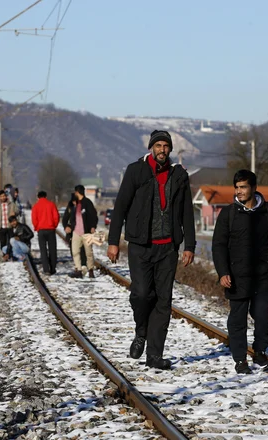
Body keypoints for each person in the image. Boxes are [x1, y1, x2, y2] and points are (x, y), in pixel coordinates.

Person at [107, 129, 196, 370]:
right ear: (151, 148)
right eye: (158, 146)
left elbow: (187, 211)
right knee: (141, 294)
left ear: (170, 150)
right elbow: (121, 207)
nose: (162, 150)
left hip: (168, 247)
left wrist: (190, 245)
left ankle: (154, 354)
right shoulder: (136, 171)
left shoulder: (178, 176)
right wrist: (113, 241)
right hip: (140, 245)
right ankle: (141, 332)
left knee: (163, 301)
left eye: (166, 146)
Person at [212, 169, 268, 375]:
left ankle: (260, 352)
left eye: (243, 187)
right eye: (237, 187)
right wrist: (223, 272)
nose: (239, 191)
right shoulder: (228, 214)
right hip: (236, 276)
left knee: (262, 314)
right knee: (237, 319)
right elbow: (219, 245)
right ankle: (240, 360)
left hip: (263, 275)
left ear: (254, 188)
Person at [65, 185, 98, 279]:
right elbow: (72, 217)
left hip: (86, 232)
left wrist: (93, 226)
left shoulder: (87, 203)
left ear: (77, 192)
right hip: (76, 232)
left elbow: (93, 216)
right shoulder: (75, 204)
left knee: (88, 252)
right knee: (75, 251)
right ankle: (78, 270)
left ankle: (91, 270)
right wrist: (69, 226)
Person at [31, 190, 60, 275]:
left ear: (38, 197)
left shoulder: (36, 206)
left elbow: (34, 219)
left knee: (43, 250)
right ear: (46, 196)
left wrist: (37, 227)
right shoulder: (51, 204)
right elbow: (56, 217)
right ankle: (53, 268)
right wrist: (54, 225)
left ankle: (46, 269)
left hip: (41, 230)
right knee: (52, 249)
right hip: (51, 230)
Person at [62, 194, 87, 267]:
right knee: (74, 249)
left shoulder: (84, 206)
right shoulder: (70, 207)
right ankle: (77, 264)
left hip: (82, 231)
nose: (74, 203)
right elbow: (65, 219)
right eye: (73, 201)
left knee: (83, 248)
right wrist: (66, 227)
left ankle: (83, 264)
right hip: (72, 232)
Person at [0, 190, 20, 259]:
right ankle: (4, 255)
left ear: (6, 196)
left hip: (10, 226)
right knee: (2, 243)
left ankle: (10, 255)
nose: (2, 197)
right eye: (1, 196)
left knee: (10, 242)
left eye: (4, 196)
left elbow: (18, 210)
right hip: (1, 227)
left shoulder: (11, 204)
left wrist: (14, 212)